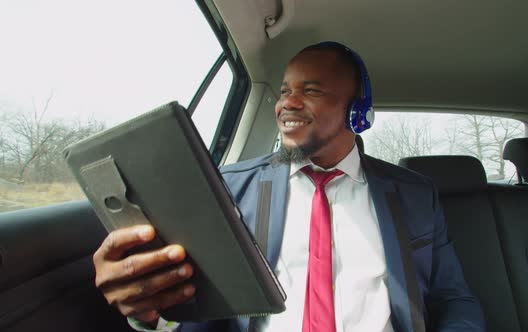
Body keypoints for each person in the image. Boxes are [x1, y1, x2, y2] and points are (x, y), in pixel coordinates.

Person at [92, 42, 485, 332]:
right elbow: (198, 313)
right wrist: (148, 315)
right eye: (283, 91)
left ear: (358, 111)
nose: (287, 103)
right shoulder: (228, 190)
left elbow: (453, 298)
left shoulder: (414, 194)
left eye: (310, 90)